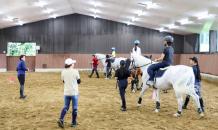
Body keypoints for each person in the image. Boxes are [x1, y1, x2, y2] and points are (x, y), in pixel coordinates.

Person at [57, 58, 81, 128]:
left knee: (66, 107)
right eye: (73, 63)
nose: (73, 64)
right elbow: (79, 81)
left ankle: (61, 119)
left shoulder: (63, 72)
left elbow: (63, 81)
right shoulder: (75, 71)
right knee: (74, 108)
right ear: (71, 65)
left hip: (66, 92)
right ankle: (73, 122)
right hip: (74, 92)